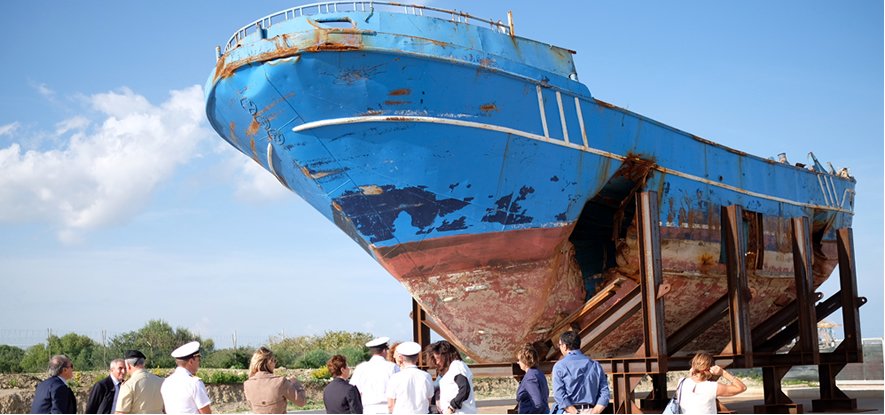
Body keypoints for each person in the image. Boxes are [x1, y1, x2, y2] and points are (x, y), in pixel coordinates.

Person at [551, 331, 609, 414]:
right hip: (591, 411)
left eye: (559, 345)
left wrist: (575, 412)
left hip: (570, 412)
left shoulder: (559, 366)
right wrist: (595, 412)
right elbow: (605, 392)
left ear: (565, 346)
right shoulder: (595, 365)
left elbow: (559, 395)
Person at [677, 352, 747, 414]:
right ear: (711, 368)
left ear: (692, 366)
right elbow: (742, 387)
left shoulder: (681, 382)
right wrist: (723, 372)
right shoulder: (713, 387)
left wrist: (692, 373)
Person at [243, 346, 307, 413]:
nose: (275, 364)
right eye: (274, 361)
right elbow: (301, 402)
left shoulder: (247, 384)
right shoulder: (280, 382)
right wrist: (296, 383)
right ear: (269, 361)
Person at [350, 336, 399, 414]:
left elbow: (354, 390)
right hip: (387, 408)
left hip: (368, 409)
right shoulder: (393, 367)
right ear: (384, 351)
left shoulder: (360, 368)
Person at [161, 341, 212, 414]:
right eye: (198, 360)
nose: (199, 364)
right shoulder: (195, 383)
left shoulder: (166, 382)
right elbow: (206, 413)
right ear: (191, 362)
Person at [386, 342, 433, 414]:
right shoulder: (426, 376)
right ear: (417, 357)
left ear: (401, 358)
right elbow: (429, 399)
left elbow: (391, 404)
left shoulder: (395, 378)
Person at [430, 340, 476, 414]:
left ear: (445, 356)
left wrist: (452, 407)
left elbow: (464, 388)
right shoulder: (452, 368)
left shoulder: (457, 366)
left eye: (438, 358)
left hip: (459, 412)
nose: (437, 362)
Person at [115, 349, 164, 414]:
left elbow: (121, 412)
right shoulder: (161, 381)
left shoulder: (129, 385)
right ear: (143, 364)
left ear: (128, 365)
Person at [515, 344, 549, 414]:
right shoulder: (538, 373)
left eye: (519, 360)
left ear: (525, 361)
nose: (518, 363)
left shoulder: (530, 378)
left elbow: (538, 404)